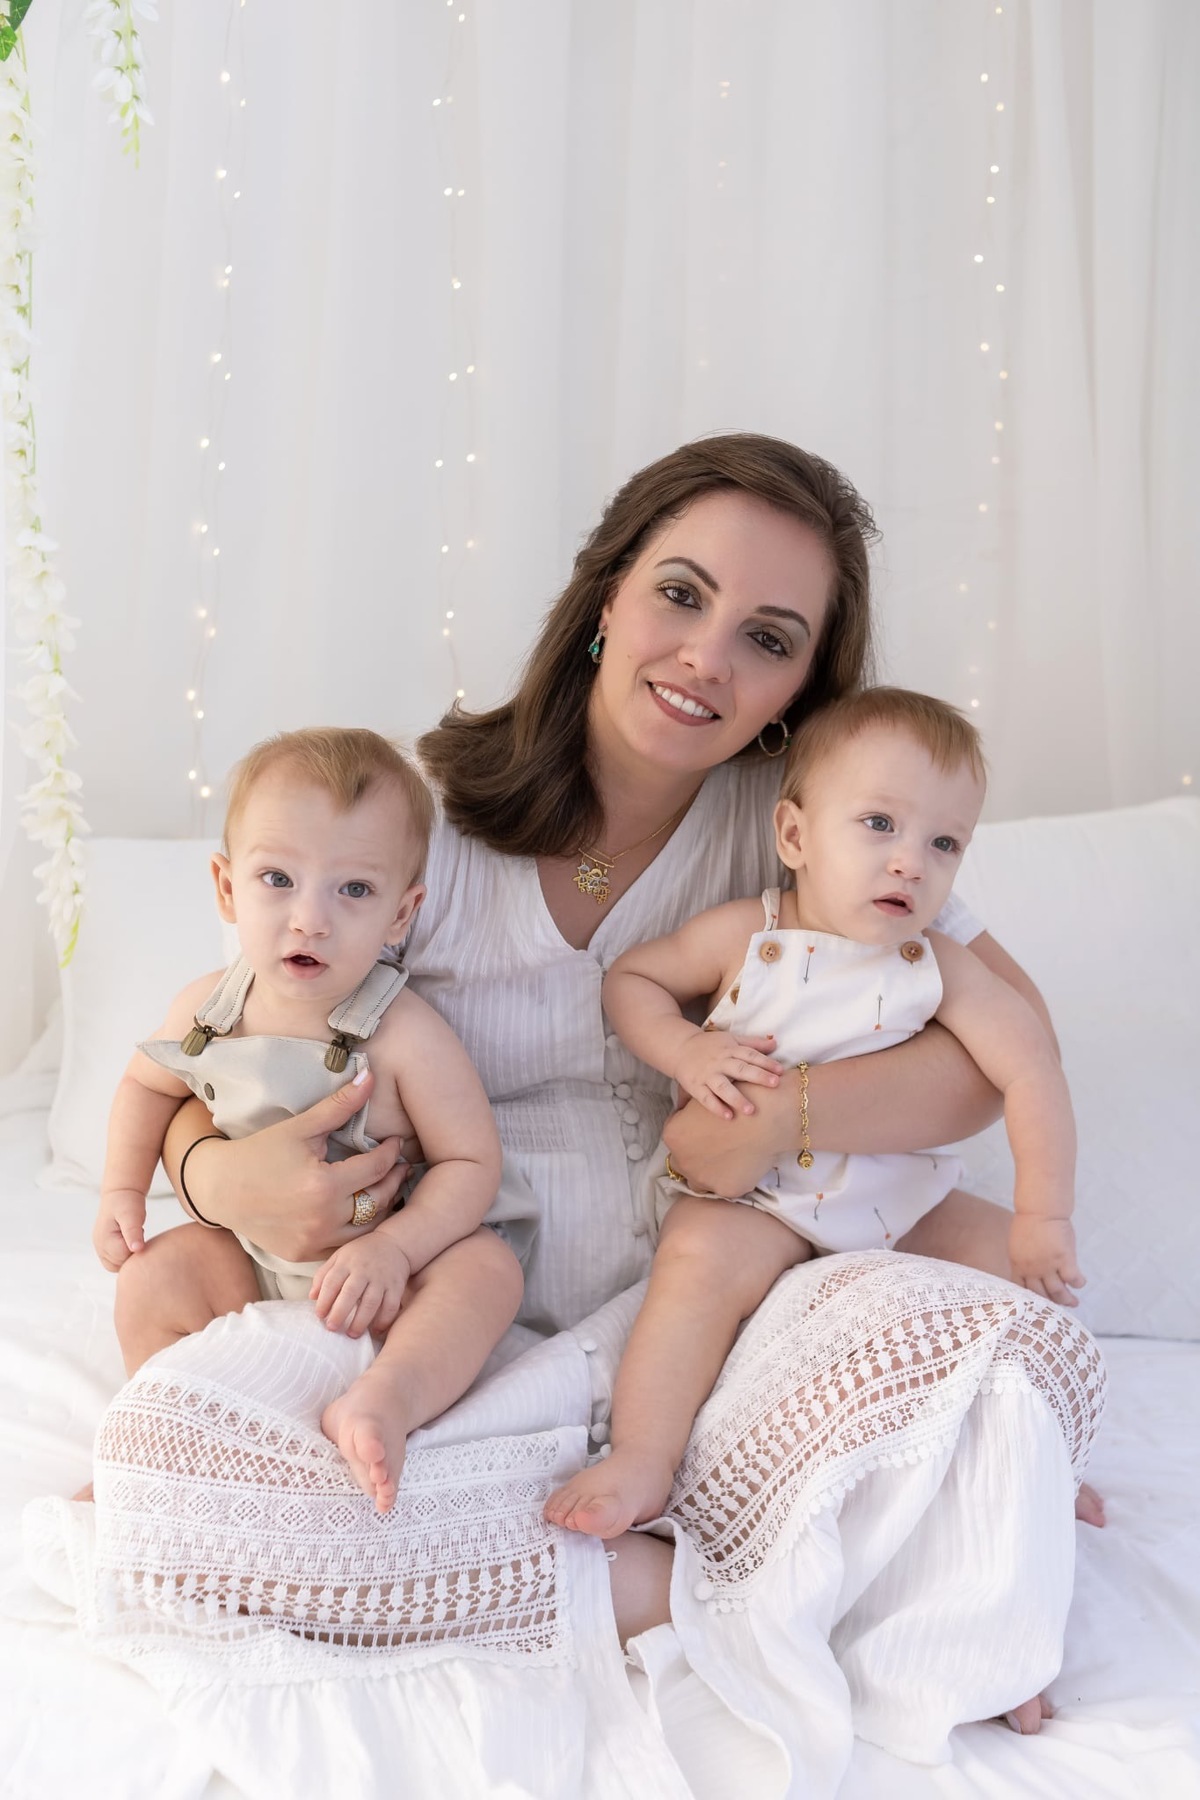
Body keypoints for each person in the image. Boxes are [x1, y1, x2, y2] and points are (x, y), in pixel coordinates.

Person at [91, 437, 1105, 1766]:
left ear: (806, 685)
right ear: (606, 596)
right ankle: (740, 1572)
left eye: (769, 638)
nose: (706, 660)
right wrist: (215, 1180)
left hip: (731, 1295)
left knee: (990, 1349)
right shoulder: (415, 832)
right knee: (171, 1431)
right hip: (446, 1315)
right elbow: (211, 1044)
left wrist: (783, 1122)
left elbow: (999, 1051)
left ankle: (768, 1536)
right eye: (680, 596)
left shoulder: (818, 831)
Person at [544, 686, 1084, 1539]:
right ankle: (643, 1457)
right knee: (693, 1277)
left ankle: (1046, 1458)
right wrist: (685, 1052)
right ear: (795, 835)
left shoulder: (938, 962)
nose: (912, 861)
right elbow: (633, 980)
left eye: (944, 843)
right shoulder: (743, 933)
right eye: (880, 825)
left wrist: (1042, 1214)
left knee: (1024, 1291)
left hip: (898, 1201)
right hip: (750, 1200)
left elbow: (1032, 1070)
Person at [91, 727, 522, 1511]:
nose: (310, 919)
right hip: (248, 1266)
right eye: (278, 879)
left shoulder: (404, 1033)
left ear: (402, 913)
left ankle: (385, 1399)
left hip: (381, 1282)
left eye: (353, 890)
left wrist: (395, 1250)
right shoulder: (207, 1012)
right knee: (152, 1279)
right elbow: (146, 1088)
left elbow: (471, 1165)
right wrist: (121, 1191)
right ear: (227, 888)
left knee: (487, 1273)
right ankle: (161, 1436)